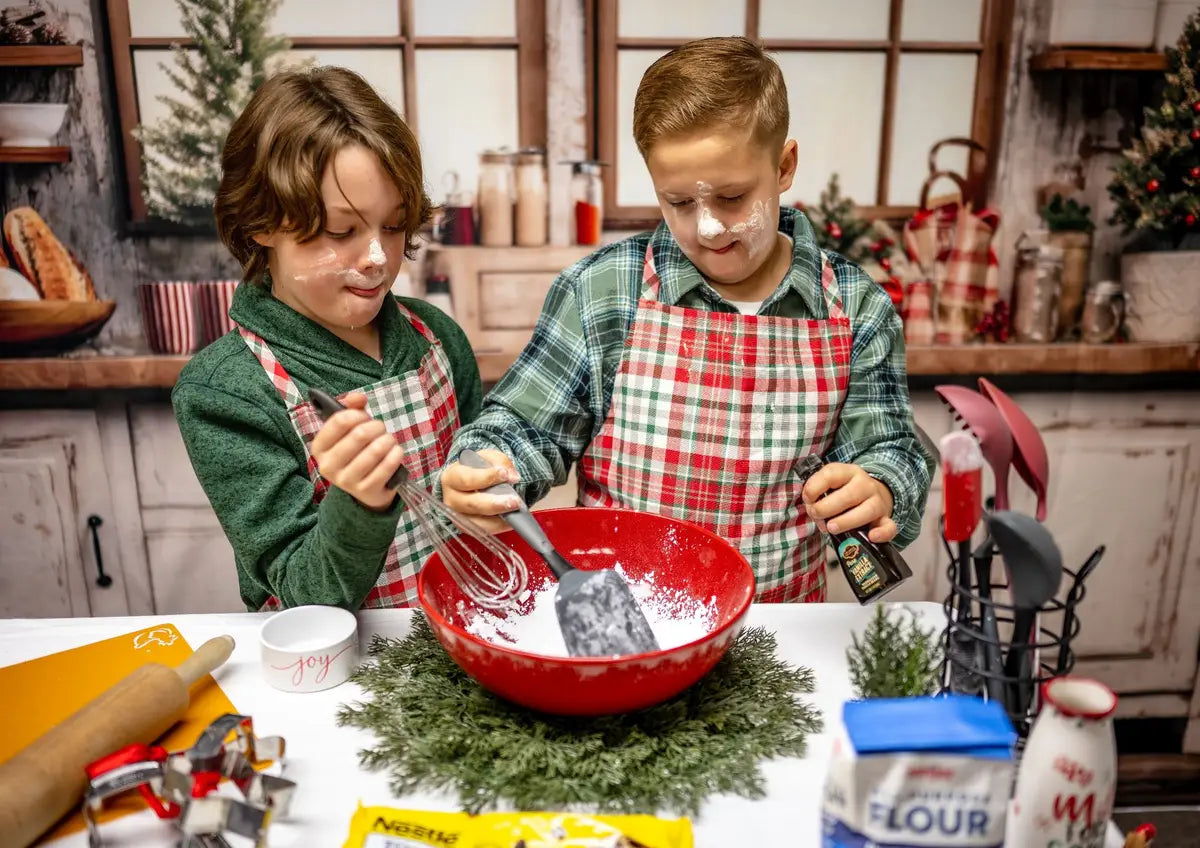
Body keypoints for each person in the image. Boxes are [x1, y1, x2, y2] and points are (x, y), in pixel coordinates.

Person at [441, 37, 932, 602]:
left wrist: (881, 487)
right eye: (678, 202)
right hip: (628, 617)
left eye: (730, 197)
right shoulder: (602, 292)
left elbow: (892, 449)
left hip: (777, 630)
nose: (707, 229)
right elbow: (523, 429)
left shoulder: (856, 307)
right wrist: (483, 469)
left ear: (785, 165)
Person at [173, 66, 484, 611]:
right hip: (333, 674)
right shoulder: (227, 391)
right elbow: (303, 594)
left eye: (392, 226)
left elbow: (479, 503)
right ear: (260, 224)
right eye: (341, 231)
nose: (377, 258)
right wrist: (361, 502)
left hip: (459, 642)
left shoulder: (436, 339)